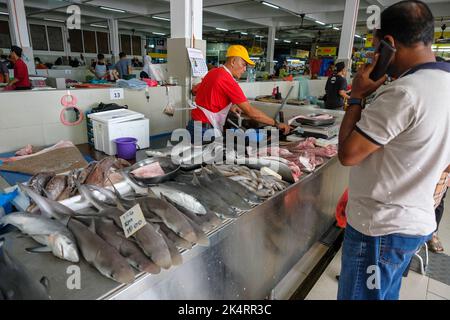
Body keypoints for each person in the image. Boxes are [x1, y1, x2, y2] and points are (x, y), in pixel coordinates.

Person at [337, 0, 450, 300]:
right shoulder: (444, 82)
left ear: (388, 43)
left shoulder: (403, 92)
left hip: (380, 229)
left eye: (376, 47)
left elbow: (348, 154)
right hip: (414, 220)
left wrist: (357, 96)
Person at [187, 45, 291, 142]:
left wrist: (230, 106)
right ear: (233, 61)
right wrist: (276, 124)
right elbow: (250, 112)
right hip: (205, 131)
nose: (244, 69)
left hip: (194, 126)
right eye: (243, 64)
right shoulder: (228, 80)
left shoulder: (213, 72)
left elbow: (196, 90)